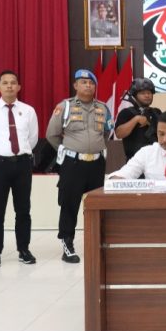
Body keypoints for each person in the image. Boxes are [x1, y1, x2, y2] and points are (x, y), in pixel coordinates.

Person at [46, 69, 112, 264]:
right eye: (83, 82)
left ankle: (98, 242)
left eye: (91, 83)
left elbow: (106, 133)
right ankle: (67, 245)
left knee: (97, 205)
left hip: (96, 164)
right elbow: (52, 135)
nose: (88, 86)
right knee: (69, 204)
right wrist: (68, 150)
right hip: (73, 163)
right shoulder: (64, 106)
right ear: (75, 85)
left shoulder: (103, 107)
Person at [0, 70, 39, 268]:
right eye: (5, 83)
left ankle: (24, 249)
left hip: (22, 164)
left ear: (19, 87)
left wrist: (18, 154)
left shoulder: (28, 111)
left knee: (23, 210)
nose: (9, 86)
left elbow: (32, 138)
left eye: (13, 82)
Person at [115, 78, 162, 162]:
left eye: (149, 93)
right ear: (135, 95)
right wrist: (136, 119)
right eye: (143, 93)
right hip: (135, 161)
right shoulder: (126, 112)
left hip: (155, 160)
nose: (147, 96)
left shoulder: (156, 112)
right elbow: (119, 134)